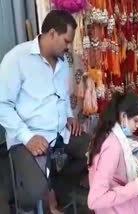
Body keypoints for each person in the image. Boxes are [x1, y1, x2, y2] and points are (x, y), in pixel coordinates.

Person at [0, 10, 89, 214]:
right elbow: (2, 105)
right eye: (66, 41)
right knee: (34, 191)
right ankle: (34, 193)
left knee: (93, 150)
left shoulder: (63, 62)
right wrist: (28, 137)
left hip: (59, 132)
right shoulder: (17, 59)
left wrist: (69, 116)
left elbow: (63, 96)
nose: (69, 47)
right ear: (51, 33)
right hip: (27, 137)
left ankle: (53, 185)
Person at [87, 93, 138, 214]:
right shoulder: (112, 146)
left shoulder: (109, 133)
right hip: (112, 208)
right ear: (123, 116)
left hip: (115, 197)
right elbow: (94, 200)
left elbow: (114, 167)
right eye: (136, 121)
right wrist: (137, 187)